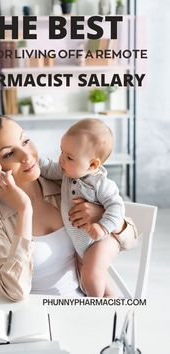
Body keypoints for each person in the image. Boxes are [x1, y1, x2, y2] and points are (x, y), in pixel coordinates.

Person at [0, 114, 136, 301]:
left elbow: (130, 240)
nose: (27, 156)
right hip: (34, 317)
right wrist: (24, 209)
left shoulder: (67, 182)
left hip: (86, 304)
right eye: (9, 154)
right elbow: (13, 292)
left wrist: (100, 215)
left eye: (25, 141)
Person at [39, 118, 137, 297]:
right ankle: (111, 305)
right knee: (97, 280)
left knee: (91, 276)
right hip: (83, 244)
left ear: (93, 165)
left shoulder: (101, 184)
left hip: (102, 240)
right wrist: (32, 158)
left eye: (69, 157)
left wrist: (103, 226)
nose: (61, 159)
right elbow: (47, 168)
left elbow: (116, 207)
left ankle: (94, 310)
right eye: (62, 152)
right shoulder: (67, 172)